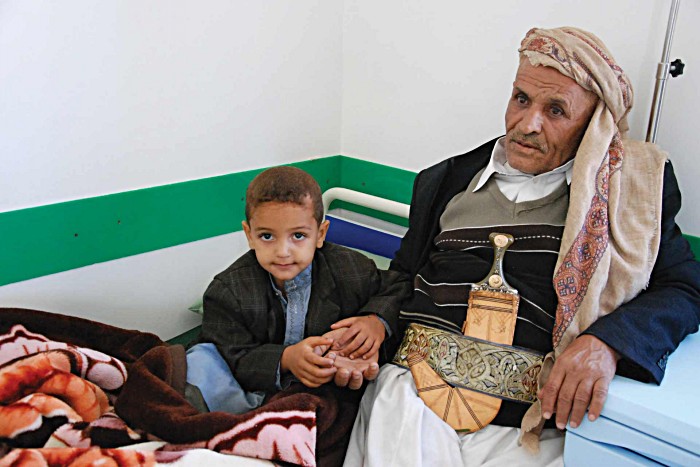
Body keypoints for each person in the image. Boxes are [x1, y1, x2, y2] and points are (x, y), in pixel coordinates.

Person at [343, 27, 700, 466]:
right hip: (413, 397)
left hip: (536, 424)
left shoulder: (631, 194)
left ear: (593, 123)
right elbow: (404, 274)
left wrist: (606, 343)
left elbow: (684, 290)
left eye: (556, 110)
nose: (528, 124)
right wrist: (378, 319)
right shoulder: (446, 181)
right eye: (521, 99)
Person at [184, 166, 410, 456]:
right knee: (200, 360)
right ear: (249, 235)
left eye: (298, 236)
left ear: (321, 233)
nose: (283, 251)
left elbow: (400, 288)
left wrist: (375, 322)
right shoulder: (228, 290)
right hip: (256, 390)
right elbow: (232, 355)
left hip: (330, 387)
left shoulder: (352, 270)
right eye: (267, 236)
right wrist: (287, 359)